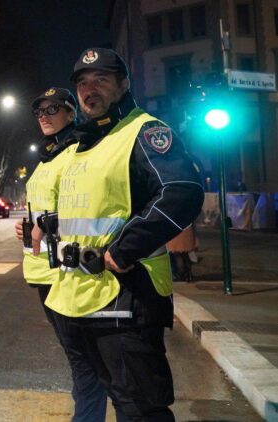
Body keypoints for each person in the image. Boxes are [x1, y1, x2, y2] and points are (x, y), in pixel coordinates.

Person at [32, 48, 204, 421]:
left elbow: (181, 192)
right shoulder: (84, 142)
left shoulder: (144, 131)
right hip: (77, 299)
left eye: (101, 80)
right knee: (101, 393)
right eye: (82, 83)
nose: (89, 90)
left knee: (139, 409)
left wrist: (125, 249)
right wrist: (46, 223)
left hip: (125, 299)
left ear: (123, 85)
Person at [14, 87, 114, 422]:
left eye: (52, 109)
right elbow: (45, 209)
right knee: (79, 359)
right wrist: (29, 226)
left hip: (67, 272)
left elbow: (83, 202)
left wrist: (48, 221)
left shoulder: (77, 150)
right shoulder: (49, 156)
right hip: (44, 271)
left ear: (71, 113)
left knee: (86, 361)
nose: (44, 116)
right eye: (39, 112)